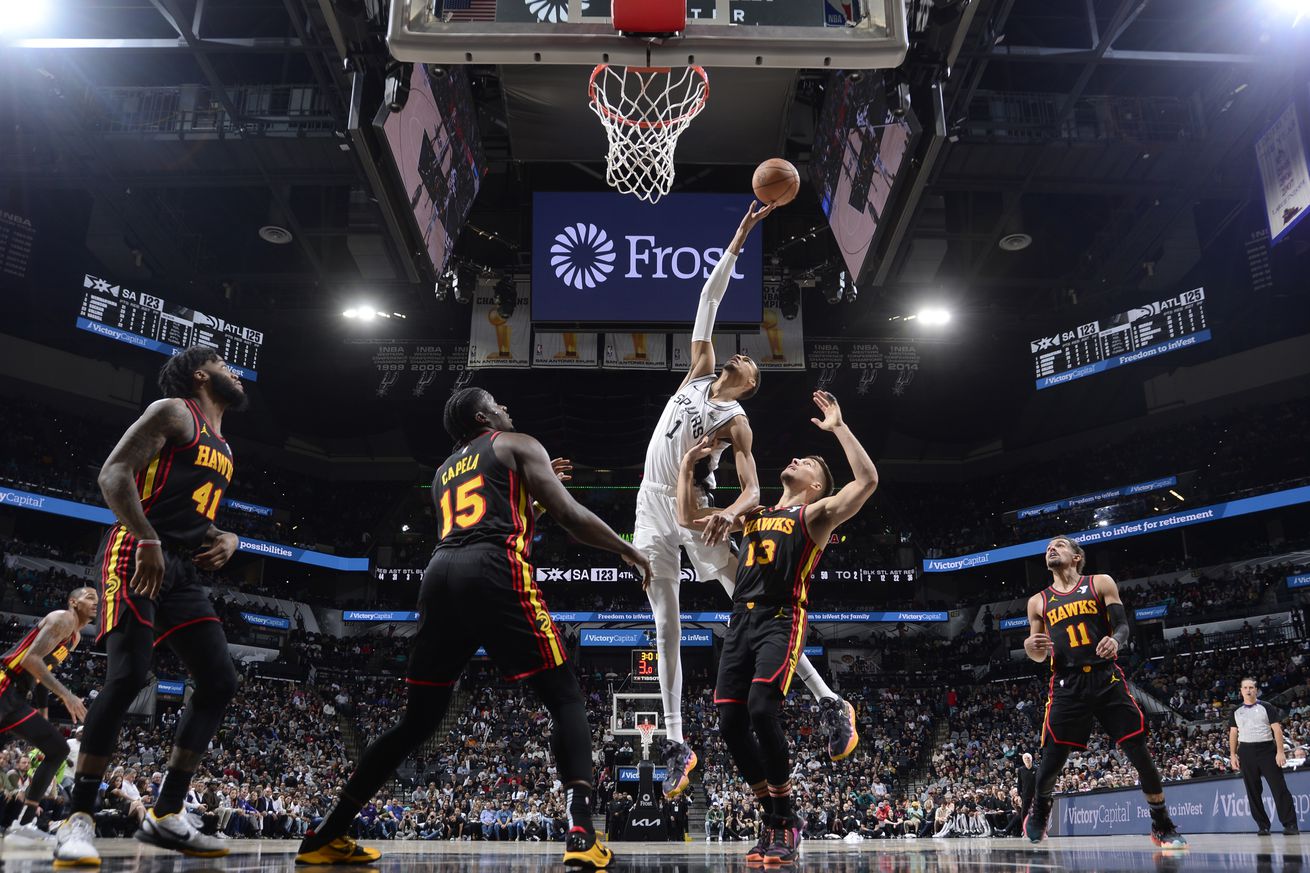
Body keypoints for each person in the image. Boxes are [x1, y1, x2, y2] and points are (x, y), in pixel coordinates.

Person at [295, 387, 649, 868]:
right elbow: (568, 516)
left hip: (439, 576)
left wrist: (532, 497)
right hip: (493, 569)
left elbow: (489, 516)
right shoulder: (516, 442)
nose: (509, 407)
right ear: (484, 415)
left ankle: (326, 834)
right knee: (565, 696)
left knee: (416, 722)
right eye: (500, 404)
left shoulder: (445, 469)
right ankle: (583, 834)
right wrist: (626, 550)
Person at [636, 202, 856, 800]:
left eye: (749, 360)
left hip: (700, 509)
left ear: (752, 382)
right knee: (665, 618)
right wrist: (737, 239)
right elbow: (707, 301)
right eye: (739, 354)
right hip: (652, 502)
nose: (739, 355)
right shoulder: (699, 372)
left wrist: (731, 514)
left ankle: (830, 701)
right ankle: (678, 741)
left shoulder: (737, 418)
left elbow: (755, 489)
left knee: (755, 599)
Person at [56, 347, 246, 866]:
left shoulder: (224, 445)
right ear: (201, 374)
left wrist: (228, 537)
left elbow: (192, 515)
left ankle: (166, 814)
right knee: (129, 674)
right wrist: (146, 538)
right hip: (136, 553)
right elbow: (113, 475)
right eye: (224, 363)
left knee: (220, 681)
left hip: (181, 568)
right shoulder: (173, 410)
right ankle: (77, 817)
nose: (235, 371)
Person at [677, 390, 878, 864]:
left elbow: (866, 480)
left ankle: (783, 819)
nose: (796, 459)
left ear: (816, 486)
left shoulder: (816, 515)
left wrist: (838, 429)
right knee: (729, 721)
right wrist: (688, 468)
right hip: (740, 619)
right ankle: (776, 816)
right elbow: (687, 516)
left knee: (761, 708)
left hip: (781, 616)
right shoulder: (754, 514)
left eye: (807, 461)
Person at [1021, 536, 1186, 848]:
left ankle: (1162, 822)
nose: (1051, 549)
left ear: (1076, 556)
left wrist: (1117, 641)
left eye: (1059, 545)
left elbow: (1122, 626)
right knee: (1051, 760)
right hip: (1067, 683)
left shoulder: (1100, 582)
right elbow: (1039, 653)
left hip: (1105, 677)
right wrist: (1030, 647)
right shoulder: (1038, 601)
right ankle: (1041, 808)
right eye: (1048, 547)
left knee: (1138, 751)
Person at [0, 588, 97, 847]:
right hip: (4, 684)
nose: (96, 602)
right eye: (90, 597)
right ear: (73, 601)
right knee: (58, 749)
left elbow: (43, 669)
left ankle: (24, 822)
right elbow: (32, 659)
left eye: (98, 600)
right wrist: (67, 695)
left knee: (57, 749)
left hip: (17, 696)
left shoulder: (74, 637)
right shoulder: (63, 619)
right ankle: (22, 822)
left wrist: (43, 710)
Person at [1229, 676, 1298, 835]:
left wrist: (1280, 751)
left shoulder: (1267, 707)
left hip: (1267, 750)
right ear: (1241, 691)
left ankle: (1290, 825)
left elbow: (1277, 730)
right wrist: (1233, 755)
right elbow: (1233, 733)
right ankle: (1263, 826)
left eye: (1251, 687)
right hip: (1245, 751)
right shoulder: (1235, 711)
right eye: (1245, 687)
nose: (1248, 690)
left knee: (1279, 788)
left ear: (1256, 690)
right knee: (1253, 791)